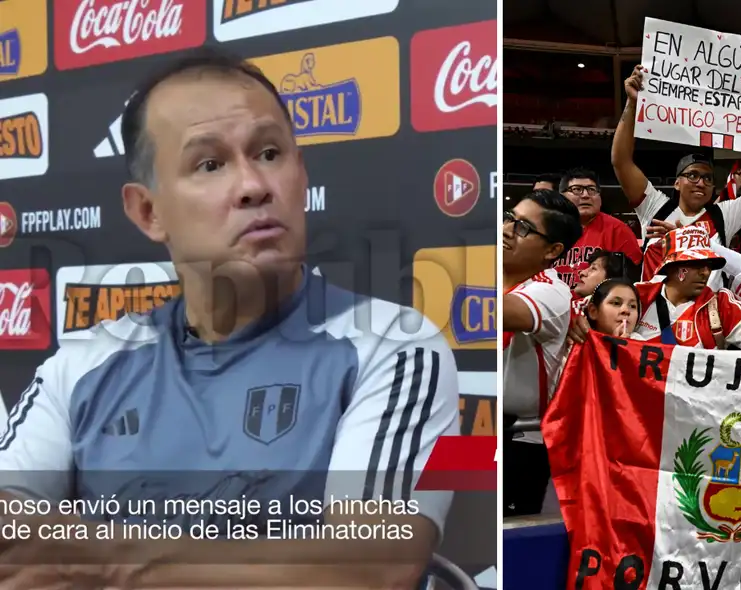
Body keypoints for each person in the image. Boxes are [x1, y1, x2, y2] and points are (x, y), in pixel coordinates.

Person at [0, 47, 458, 588]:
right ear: (149, 212)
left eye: (269, 152)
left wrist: (95, 560)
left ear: (300, 172)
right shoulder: (80, 364)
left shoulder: (406, 349)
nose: (254, 186)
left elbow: (373, 568)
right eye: (210, 164)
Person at [612, 64, 741, 286]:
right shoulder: (655, 207)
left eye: (708, 178)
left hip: (707, 317)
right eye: (693, 176)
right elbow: (621, 161)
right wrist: (632, 104)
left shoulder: (724, 215)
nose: (701, 182)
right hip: (655, 318)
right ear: (677, 183)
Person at [569, 226, 741, 352]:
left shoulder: (722, 306)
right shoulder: (636, 296)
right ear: (671, 267)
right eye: (695, 264)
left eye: (708, 265)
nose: (706, 272)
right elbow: (575, 311)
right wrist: (573, 320)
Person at [502, 189, 581, 517]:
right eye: (508, 218)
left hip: (518, 443)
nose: (506, 229)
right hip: (468, 428)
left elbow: (493, 311)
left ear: (553, 250)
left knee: (503, 552)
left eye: (521, 227)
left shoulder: (553, 294)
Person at [551, 168, 642, 289]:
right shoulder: (548, 228)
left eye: (591, 190)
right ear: (562, 196)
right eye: (577, 189)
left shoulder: (618, 230)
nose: (585, 195)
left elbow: (632, 280)